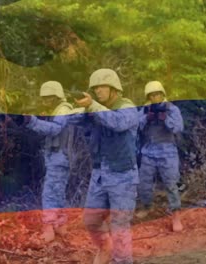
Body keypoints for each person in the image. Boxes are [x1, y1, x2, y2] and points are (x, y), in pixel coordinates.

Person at [74, 69, 139, 264]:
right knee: (91, 220)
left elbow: (118, 123)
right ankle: (105, 249)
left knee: (120, 225)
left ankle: (121, 261)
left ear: (114, 88)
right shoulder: (97, 110)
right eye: (95, 88)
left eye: (102, 87)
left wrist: (92, 106)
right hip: (100, 174)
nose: (98, 91)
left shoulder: (128, 107)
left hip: (123, 175)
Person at [24, 81, 75, 242]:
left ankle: (49, 229)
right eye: (44, 98)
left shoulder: (63, 110)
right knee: (58, 193)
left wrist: (32, 121)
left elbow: (55, 129)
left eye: (48, 98)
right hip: (58, 156)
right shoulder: (60, 109)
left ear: (56, 97)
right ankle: (61, 225)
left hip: (60, 157)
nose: (45, 101)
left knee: (50, 194)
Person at [136, 81, 184, 232]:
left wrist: (165, 119)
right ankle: (147, 206)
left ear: (162, 94)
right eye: (152, 95)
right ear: (148, 97)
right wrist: (147, 118)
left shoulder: (171, 109)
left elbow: (178, 128)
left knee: (171, 184)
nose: (155, 97)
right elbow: (135, 126)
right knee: (144, 183)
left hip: (168, 152)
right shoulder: (145, 109)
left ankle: (176, 215)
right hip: (149, 151)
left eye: (157, 94)